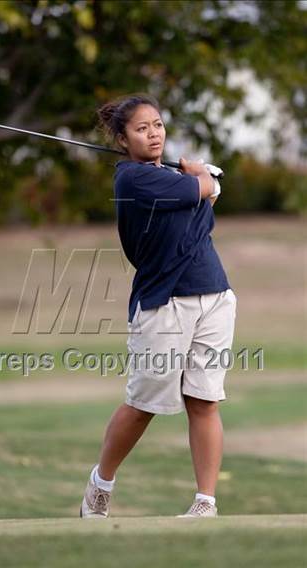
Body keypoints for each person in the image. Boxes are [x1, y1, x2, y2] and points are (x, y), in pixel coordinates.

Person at [79, 93, 237, 519]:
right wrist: (205, 178)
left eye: (158, 125)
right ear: (122, 138)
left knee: (204, 400)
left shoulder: (166, 175)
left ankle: (206, 502)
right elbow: (205, 190)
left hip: (215, 294)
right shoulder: (132, 179)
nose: (153, 134)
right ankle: (100, 484)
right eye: (141, 128)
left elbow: (206, 200)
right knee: (144, 405)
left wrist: (204, 184)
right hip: (163, 303)